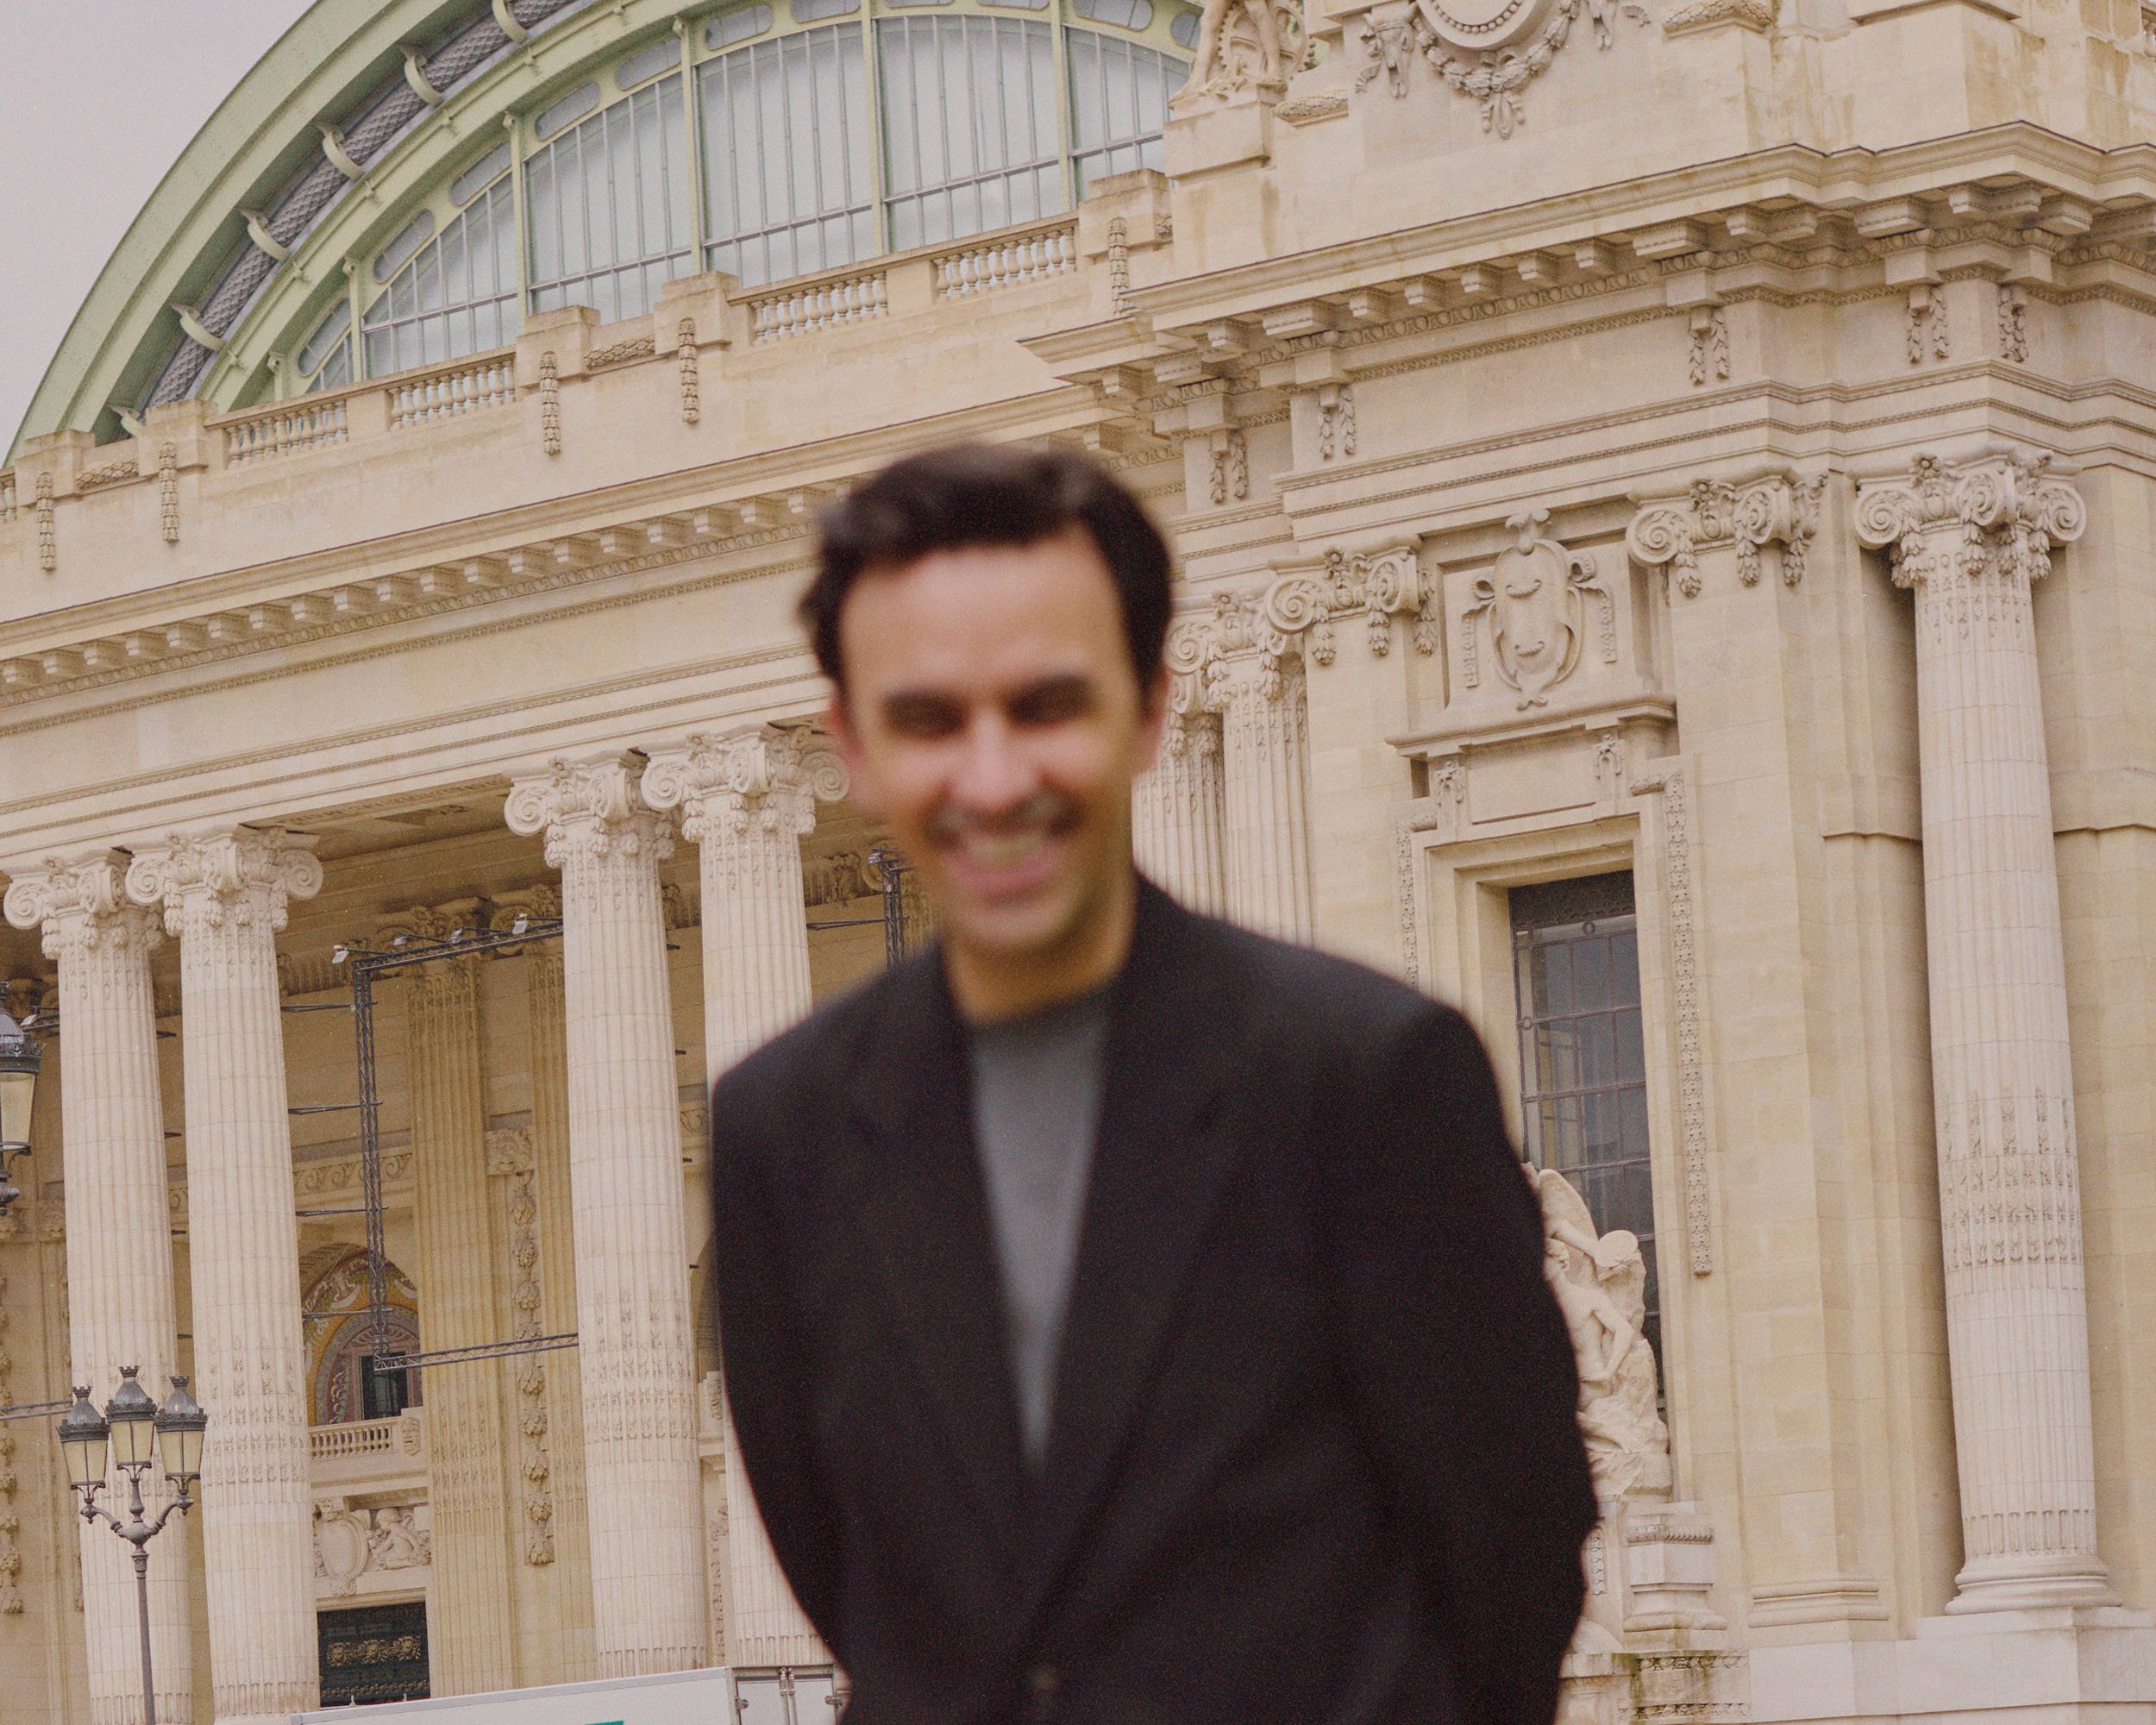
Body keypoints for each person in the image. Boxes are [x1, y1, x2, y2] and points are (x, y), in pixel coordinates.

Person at [710, 442, 1596, 1725]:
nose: (996, 778)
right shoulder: (777, 1130)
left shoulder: (1367, 1076)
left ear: (1150, 707)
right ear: (850, 746)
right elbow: (849, 1579)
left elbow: (1509, 1551)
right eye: (930, 721)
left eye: (1048, 705)